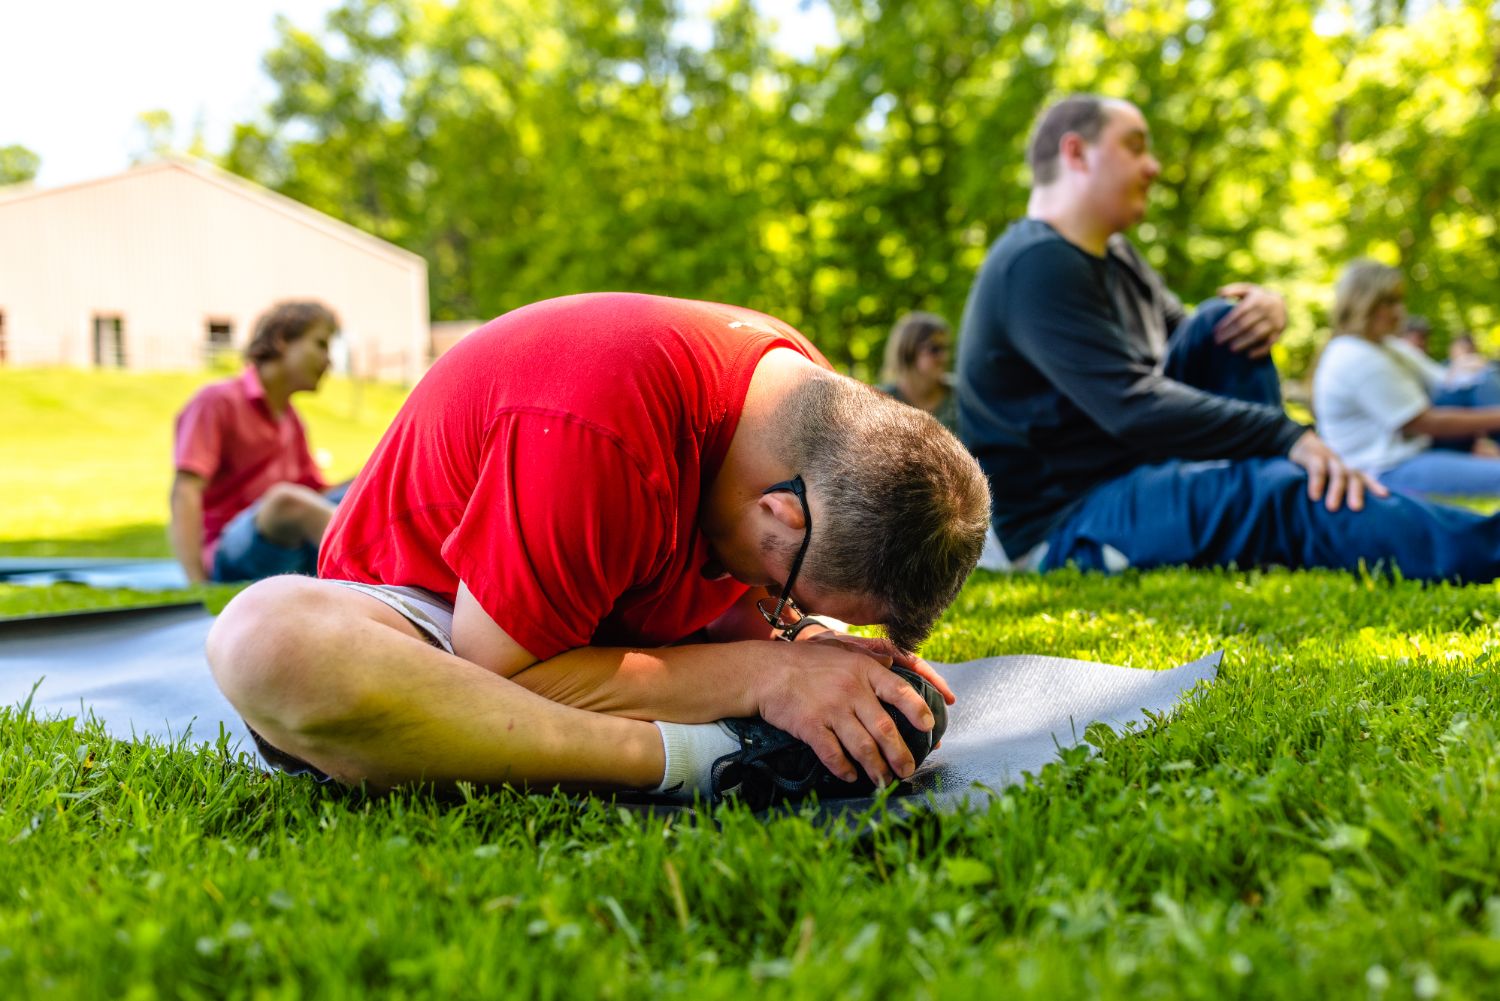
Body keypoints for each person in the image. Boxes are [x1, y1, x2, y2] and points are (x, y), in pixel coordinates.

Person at [206, 293, 990, 806]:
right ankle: (693, 758)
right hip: (443, 614)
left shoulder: (798, 406)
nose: (783, 618)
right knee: (267, 642)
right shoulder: (601, 426)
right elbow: (495, 673)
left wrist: (826, 659)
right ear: (780, 509)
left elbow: (726, 588)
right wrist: (765, 672)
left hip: (614, 602)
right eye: (794, 602)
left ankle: (713, 729)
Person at [955, 94, 1500, 579]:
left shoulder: (1117, 257)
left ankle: (1275, 487)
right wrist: (1287, 435)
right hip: (1071, 523)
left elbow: (1196, 341)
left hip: (1138, 475)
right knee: (1276, 493)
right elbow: (1133, 406)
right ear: (1076, 153)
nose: (1154, 165)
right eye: (1135, 146)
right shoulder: (1036, 264)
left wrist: (1266, 311)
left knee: (1225, 322)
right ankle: (1474, 543)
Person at [170, 301, 347, 585]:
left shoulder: (291, 420)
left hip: (291, 547)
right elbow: (185, 491)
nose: (329, 361)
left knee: (366, 486)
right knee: (286, 501)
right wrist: (197, 581)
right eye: (320, 345)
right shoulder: (216, 402)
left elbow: (318, 492)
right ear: (281, 341)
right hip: (230, 551)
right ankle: (371, 571)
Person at [1314, 261, 1500, 496]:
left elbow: (1444, 381)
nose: (1400, 312)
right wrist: (1496, 417)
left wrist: (1469, 367)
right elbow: (1424, 423)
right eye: (1390, 303)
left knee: (1483, 378)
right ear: (1364, 304)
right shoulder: (1354, 356)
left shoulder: (1386, 345)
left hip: (1418, 447)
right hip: (1387, 468)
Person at [877, 311, 957, 431]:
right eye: (935, 349)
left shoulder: (961, 396)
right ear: (908, 350)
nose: (944, 357)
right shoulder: (882, 402)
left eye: (946, 348)